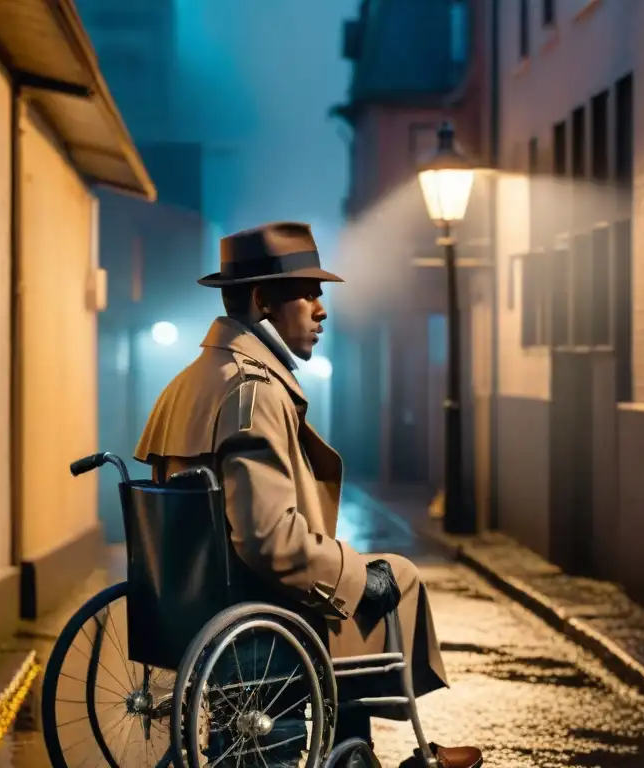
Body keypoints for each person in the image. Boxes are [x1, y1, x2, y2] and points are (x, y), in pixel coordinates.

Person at [135, 222, 483, 768]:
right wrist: (352, 575)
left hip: (197, 603)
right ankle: (382, 753)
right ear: (261, 301)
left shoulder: (191, 380)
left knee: (361, 581)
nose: (322, 309)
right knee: (392, 581)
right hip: (255, 610)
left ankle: (359, 748)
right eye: (308, 293)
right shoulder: (253, 391)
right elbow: (269, 539)